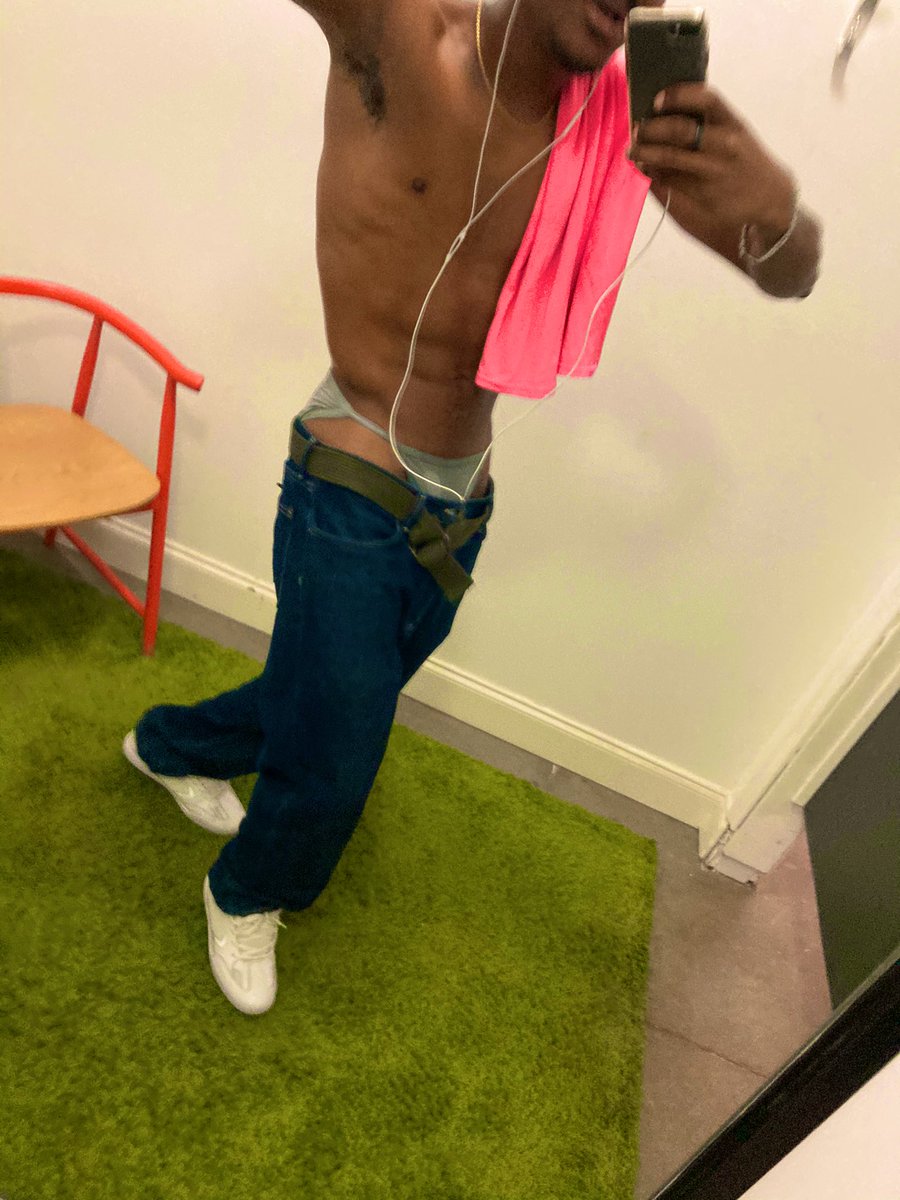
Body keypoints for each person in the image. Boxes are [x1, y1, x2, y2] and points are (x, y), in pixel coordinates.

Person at [123, 0, 822, 1015]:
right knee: (339, 748)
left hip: (460, 505)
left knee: (323, 697)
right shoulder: (400, 35)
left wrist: (777, 210)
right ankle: (245, 890)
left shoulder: (628, 123)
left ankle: (169, 746)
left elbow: (791, 275)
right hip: (351, 476)